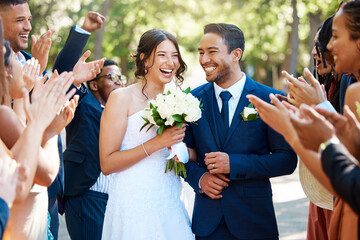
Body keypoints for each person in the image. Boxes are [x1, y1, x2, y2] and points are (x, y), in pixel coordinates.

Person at [183, 23, 297, 240]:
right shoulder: (190, 100)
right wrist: (200, 179)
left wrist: (234, 164)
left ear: (236, 54)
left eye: (212, 52)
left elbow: (287, 160)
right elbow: (179, 154)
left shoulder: (270, 99)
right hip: (208, 224)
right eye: (201, 52)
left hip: (254, 221)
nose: (204, 59)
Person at [100, 29, 193, 239]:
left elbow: (181, 149)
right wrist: (157, 142)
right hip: (133, 199)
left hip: (169, 197)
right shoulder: (120, 98)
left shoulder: (179, 100)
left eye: (174, 55)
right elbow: (107, 164)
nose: (170, 62)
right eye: (162, 55)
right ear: (144, 58)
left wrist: (181, 151)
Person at [63, 60, 125, 240]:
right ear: (94, 84)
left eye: (121, 78)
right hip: (86, 193)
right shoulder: (83, 102)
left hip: (113, 200)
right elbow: (67, 87)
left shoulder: (121, 113)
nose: (119, 82)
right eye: (112, 77)